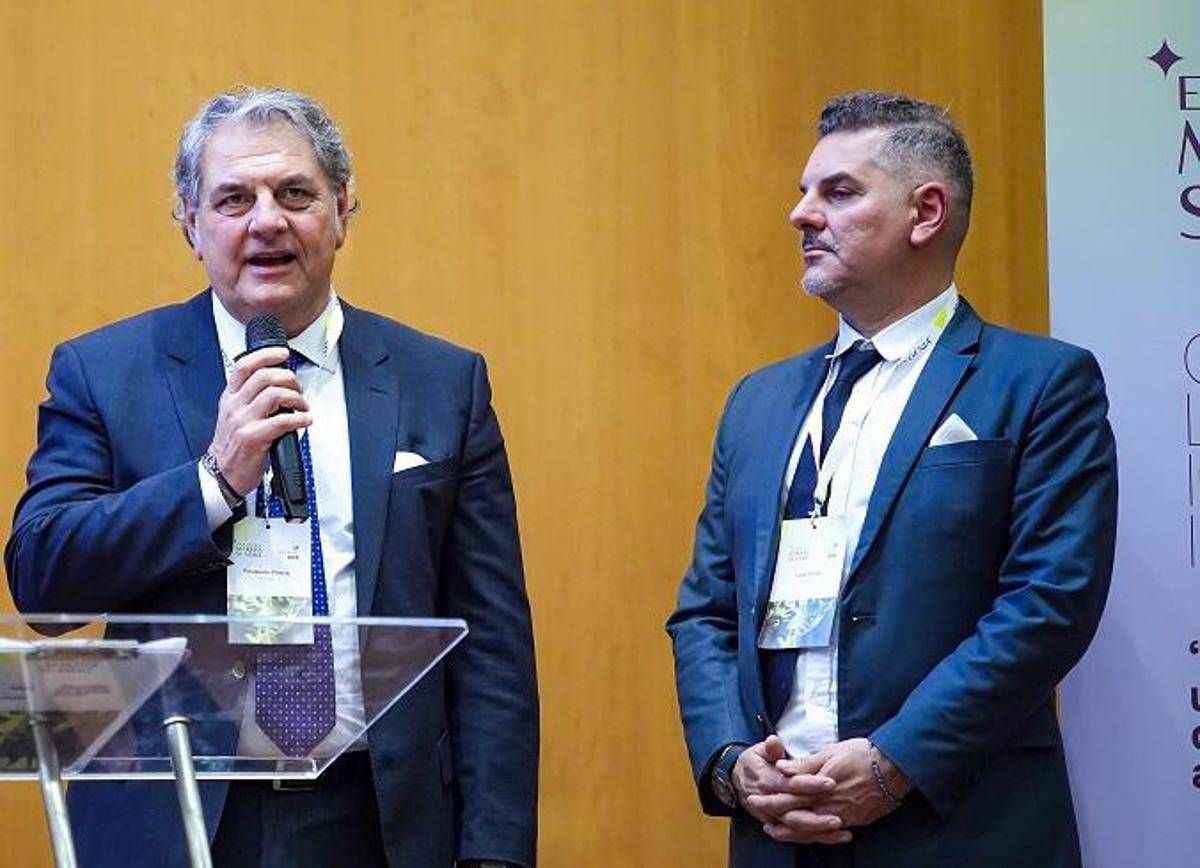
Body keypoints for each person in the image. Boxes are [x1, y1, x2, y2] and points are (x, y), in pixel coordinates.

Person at [5, 87, 538, 868]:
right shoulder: (105, 372)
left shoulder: (442, 383)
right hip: (178, 816)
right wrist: (213, 482)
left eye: (295, 193)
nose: (266, 221)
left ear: (343, 210)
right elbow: (44, 580)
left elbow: (493, 645)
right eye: (233, 199)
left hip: (377, 817)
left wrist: (495, 853)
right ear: (190, 223)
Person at [666, 91, 1116, 868]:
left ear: (926, 212)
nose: (801, 215)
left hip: (962, 829)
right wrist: (731, 761)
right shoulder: (757, 402)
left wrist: (896, 761)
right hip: (779, 833)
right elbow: (706, 608)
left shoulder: (1040, 384)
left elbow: (1048, 603)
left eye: (838, 192)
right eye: (805, 192)